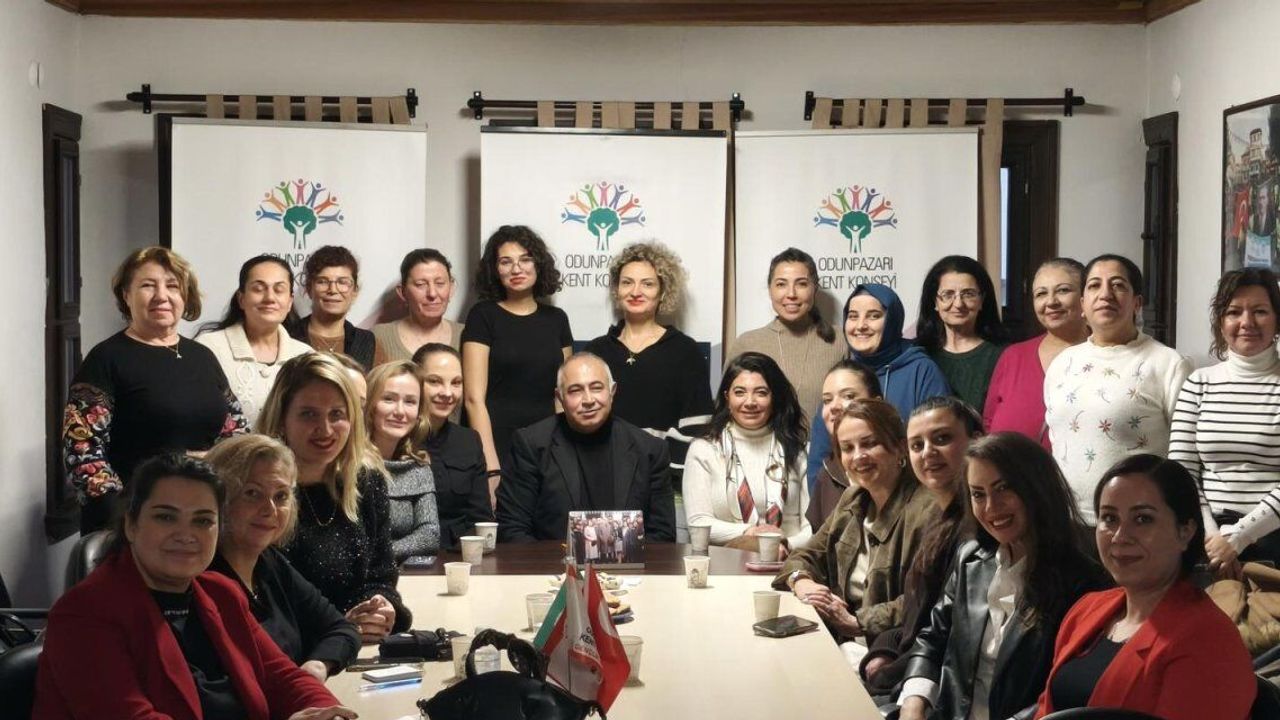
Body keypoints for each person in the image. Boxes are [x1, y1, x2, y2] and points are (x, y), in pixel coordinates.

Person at [33, 453, 354, 720]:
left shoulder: (221, 593)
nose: (186, 535)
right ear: (131, 524)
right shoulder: (84, 614)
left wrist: (327, 713)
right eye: (166, 517)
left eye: (202, 520)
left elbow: (283, 678)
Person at [1034, 454, 1256, 719]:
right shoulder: (1086, 609)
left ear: (1185, 531)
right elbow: (1046, 707)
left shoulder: (1210, 641)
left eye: (1142, 519)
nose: (1120, 536)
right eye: (1109, 518)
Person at [898, 432, 1102, 720]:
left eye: (1003, 488)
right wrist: (913, 702)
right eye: (978, 494)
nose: (990, 507)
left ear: (1036, 488)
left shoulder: (1084, 582)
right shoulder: (969, 557)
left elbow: (1065, 691)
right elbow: (933, 638)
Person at [63, 246, 248, 534]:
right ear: (126, 295)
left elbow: (236, 432)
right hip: (133, 523)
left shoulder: (202, 356)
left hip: (204, 516)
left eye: (172, 286)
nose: (161, 295)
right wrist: (125, 519)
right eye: (148, 285)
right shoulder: (106, 359)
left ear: (184, 295)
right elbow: (83, 450)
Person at [257, 352, 412, 640]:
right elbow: (259, 606)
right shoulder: (258, 492)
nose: (325, 429)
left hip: (355, 645)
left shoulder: (367, 481)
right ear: (281, 418)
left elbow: (380, 576)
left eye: (337, 414)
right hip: (291, 652)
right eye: (309, 414)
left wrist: (381, 607)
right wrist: (338, 626)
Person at [773, 398, 935, 649]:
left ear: (900, 447)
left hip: (893, 650)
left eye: (869, 443)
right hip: (845, 643)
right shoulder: (853, 498)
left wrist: (857, 621)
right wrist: (801, 580)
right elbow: (805, 555)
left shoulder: (927, 508)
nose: (858, 456)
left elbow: (926, 599)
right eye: (847, 448)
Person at [1044, 254, 1192, 523]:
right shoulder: (1063, 363)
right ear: (1082, 304)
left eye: (1118, 285)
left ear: (1137, 303)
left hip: (1137, 523)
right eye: (1094, 286)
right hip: (1066, 521)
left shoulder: (1168, 364)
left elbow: (1186, 455)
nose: (1105, 294)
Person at [204, 434, 360, 680]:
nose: (270, 509)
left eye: (281, 496)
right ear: (218, 499)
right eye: (252, 493)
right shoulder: (206, 580)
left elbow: (341, 628)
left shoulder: (270, 562)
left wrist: (318, 666)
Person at [859, 397, 984, 699]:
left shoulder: (977, 530)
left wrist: (887, 673)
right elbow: (916, 619)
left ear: (976, 442)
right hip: (904, 666)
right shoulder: (938, 517)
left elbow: (948, 640)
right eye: (917, 445)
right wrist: (883, 651)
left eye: (941, 438)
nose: (928, 452)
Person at [495, 353, 675, 543]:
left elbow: (663, 535)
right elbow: (511, 528)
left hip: (632, 563)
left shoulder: (650, 450)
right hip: (550, 561)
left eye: (597, 388)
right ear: (560, 397)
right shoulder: (531, 445)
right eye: (575, 390)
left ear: (612, 391)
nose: (588, 399)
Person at [1170, 267, 1280, 572]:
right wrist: (1212, 536)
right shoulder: (1198, 383)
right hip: (1208, 539)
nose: (1247, 322)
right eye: (1234, 312)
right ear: (1221, 322)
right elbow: (1182, 471)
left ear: (1277, 319)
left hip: (1273, 537)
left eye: (1260, 311)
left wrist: (1240, 536)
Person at [584, 241, 712, 487]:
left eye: (648, 284)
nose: (636, 291)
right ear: (616, 290)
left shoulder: (685, 351)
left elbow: (697, 426)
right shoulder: (595, 351)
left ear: (663, 292)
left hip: (663, 481)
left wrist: (660, 473)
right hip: (600, 477)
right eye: (627, 282)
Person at [462, 225, 573, 503]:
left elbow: (563, 395)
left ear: (538, 264)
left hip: (547, 446)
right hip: (497, 445)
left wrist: (565, 453)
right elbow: (474, 399)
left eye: (525, 259)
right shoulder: (482, 315)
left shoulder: (557, 319)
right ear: (494, 270)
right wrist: (491, 467)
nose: (516, 269)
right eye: (505, 261)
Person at [806, 283, 951, 490]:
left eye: (873, 316)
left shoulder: (921, 370)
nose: (861, 325)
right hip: (846, 501)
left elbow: (940, 445)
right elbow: (819, 461)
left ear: (892, 320)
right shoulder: (842, 376)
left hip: (912, 497)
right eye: (853, 316)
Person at [685, 352, 812, 551]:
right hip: (727, 561)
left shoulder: (798, 449)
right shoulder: (704, 449)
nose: (750, 402)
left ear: (774, 397)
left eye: (761, 393)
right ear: (727, 397)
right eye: (740, 392)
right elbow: (698, 522)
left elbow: (813, 526)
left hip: (791, 559)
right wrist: (751, 533)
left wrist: (786, 545)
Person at [727, 247, 845, 417]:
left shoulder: (840, 340)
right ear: (770, 289)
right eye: (781, 284)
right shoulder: (747, 343)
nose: (791, 294)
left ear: (815, 288)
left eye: (801, 284)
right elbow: (726, 409)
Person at [197, 255, 312, 428]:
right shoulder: (208, 348)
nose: (270, 298)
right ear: (241, 299)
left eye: (279, 290)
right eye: (258, 289)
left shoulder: (305, 356)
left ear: (289, 301)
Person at [984, 258, 1089, 447]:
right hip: (1008, 465)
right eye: (1041, 294)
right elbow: (987, 423)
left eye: (1063, 290)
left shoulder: (1104, 355)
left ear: (1085, 296)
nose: (1051, 301)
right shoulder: (1013, 356)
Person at [412, 343, 494, 549]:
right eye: (434, 381)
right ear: (415, 382)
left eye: (456, 382)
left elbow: (480, 518)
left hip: (460, 556)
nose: (447, 393)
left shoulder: (469, 440)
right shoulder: (395, 438)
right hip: (407, 556)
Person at [365, 361, 442, 564]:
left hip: (407, 576)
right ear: (369, 405)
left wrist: (382, 554)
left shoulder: (418, 468)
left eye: (410, 402)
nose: (400, 411)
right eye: (388, 399)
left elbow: (430, 536)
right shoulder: (349, 464)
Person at [915, 255, 1007, 412]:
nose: (958, 304)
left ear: (982, 300)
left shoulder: (1003, 356)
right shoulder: (919, 354)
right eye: (948, 294)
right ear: (935, 302)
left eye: (968, 294)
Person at [807, 360, 884, 529]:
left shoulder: (897, 464)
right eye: (827, 400)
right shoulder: (827, 472)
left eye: (848, 396)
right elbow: (819, 539)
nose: (834, 406)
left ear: (877, 403)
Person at [287, 245, 375, 370]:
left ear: (355, 291)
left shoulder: (367, 341)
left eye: (342, 282)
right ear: (309, 288)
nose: (333, 290)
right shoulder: (287, 336)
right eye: (322, 281)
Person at [373, 248, 463, 364]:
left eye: (440, 283)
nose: (432, 293)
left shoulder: (468, 334)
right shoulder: (380, 336)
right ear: (402, 292)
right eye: (421, 284)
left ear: (451, 289)